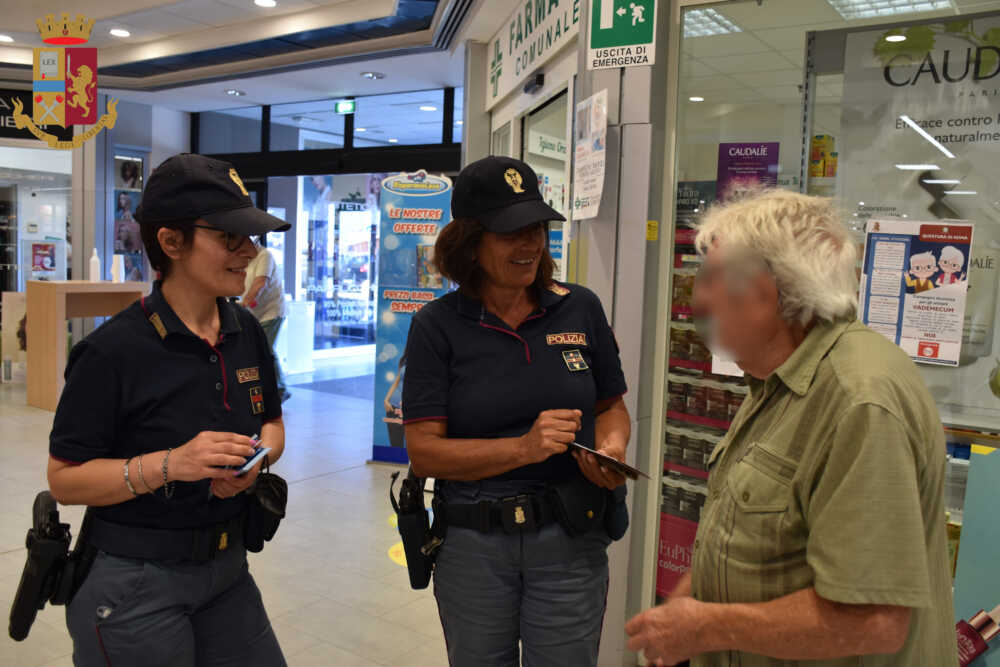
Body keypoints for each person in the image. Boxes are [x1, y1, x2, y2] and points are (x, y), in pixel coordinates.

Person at [625, 190, 957, 667]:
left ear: (765, 291)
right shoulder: (779, 380)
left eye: (712, 278)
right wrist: (686, 604)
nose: (698, 298)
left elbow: (873, 621)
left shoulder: (859, 400)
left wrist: (706, 627)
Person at [47, 153, 291, 667]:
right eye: (230, 237)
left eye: (251, 237)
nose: (249, 251)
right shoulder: (113, 352)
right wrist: (171, 465)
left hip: (229, 571)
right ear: (171, 242)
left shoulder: (244, 332)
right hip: (134, 582)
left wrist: (253, 464)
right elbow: (66, 481)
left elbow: (271, 423)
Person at [403, 156, 631, 667]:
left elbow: (611, 406)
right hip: (474, 545)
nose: (530, 245)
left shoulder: (580, 307)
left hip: (571, 538)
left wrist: (612, 448)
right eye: (511, 232)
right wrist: (523, 449)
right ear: (470, 240)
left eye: (537, 228)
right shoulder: (436, 327)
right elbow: (424, 451)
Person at [241, 239, 290, 401]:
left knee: (265, 348)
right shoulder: (241, 258)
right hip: (253, 313)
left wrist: (246, 303)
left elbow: (260, 283)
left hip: (271, 312)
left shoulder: (264, 256)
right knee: (257, 349)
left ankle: (280, 388)